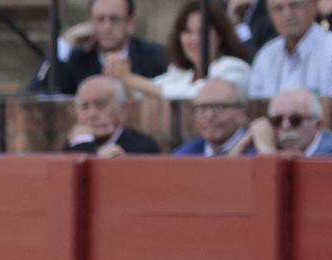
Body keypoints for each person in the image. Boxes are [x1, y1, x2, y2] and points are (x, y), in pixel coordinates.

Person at [109, 0, 252, 100]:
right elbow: (144, 93)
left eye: (202, 31)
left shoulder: (234, 68)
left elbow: (196, 95)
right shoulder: (181, 75)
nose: (195, 39)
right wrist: (119, 74)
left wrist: (129, 78)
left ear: (219, 34)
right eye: (187, 31)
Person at [31, 0, 168, 95]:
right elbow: (35, 92)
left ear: (130, 24)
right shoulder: (78, 58)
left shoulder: (154, 55)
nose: (107, 27)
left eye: (114, 19)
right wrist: (67, 40)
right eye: (100, 19)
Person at [247, 0, 332, 96]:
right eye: (279, 8)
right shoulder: (266, 55)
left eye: (294, 5)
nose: (287, 14)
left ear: (313, 6)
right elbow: (256, 105)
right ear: (270, 14)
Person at [63, 74, 161, 155]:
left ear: (122, 110)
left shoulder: (143, 147)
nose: (92, 114)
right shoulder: (75, 144)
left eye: (100, 105)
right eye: (84, 106)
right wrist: (83, 141)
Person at [245, 84, 332, 153]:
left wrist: (267, 152)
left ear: (317, 125)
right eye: (277, 120)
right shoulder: (271, 142)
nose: (285, 126)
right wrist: (244, 142)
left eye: (295, 120)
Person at [173, 76, 254, 154]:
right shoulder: (184, 155)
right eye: (203, 107)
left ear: (242, 114)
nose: (210, 116)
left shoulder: (258, 152)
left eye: (220, 107)